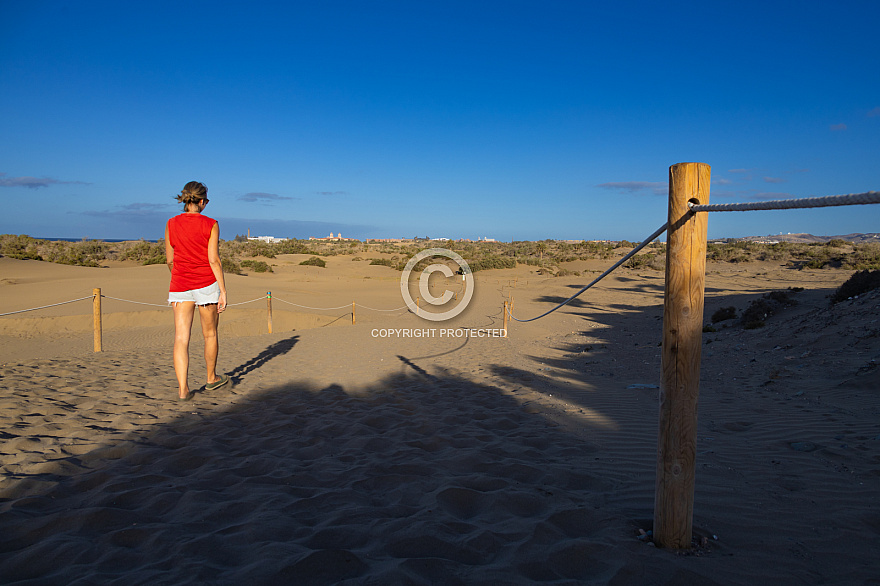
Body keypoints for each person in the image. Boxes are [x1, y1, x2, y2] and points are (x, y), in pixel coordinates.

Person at [165, 181, 230, 401]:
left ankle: (183, 388)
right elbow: (214, 259)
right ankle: (211, 379)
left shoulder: (171, 223)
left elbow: (170, 260)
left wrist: (182, 275)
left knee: (181, 338)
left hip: (180, 284)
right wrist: (222, 290)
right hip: (205, 284)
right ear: (202, 201)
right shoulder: (211, 223)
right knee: (209, 334)